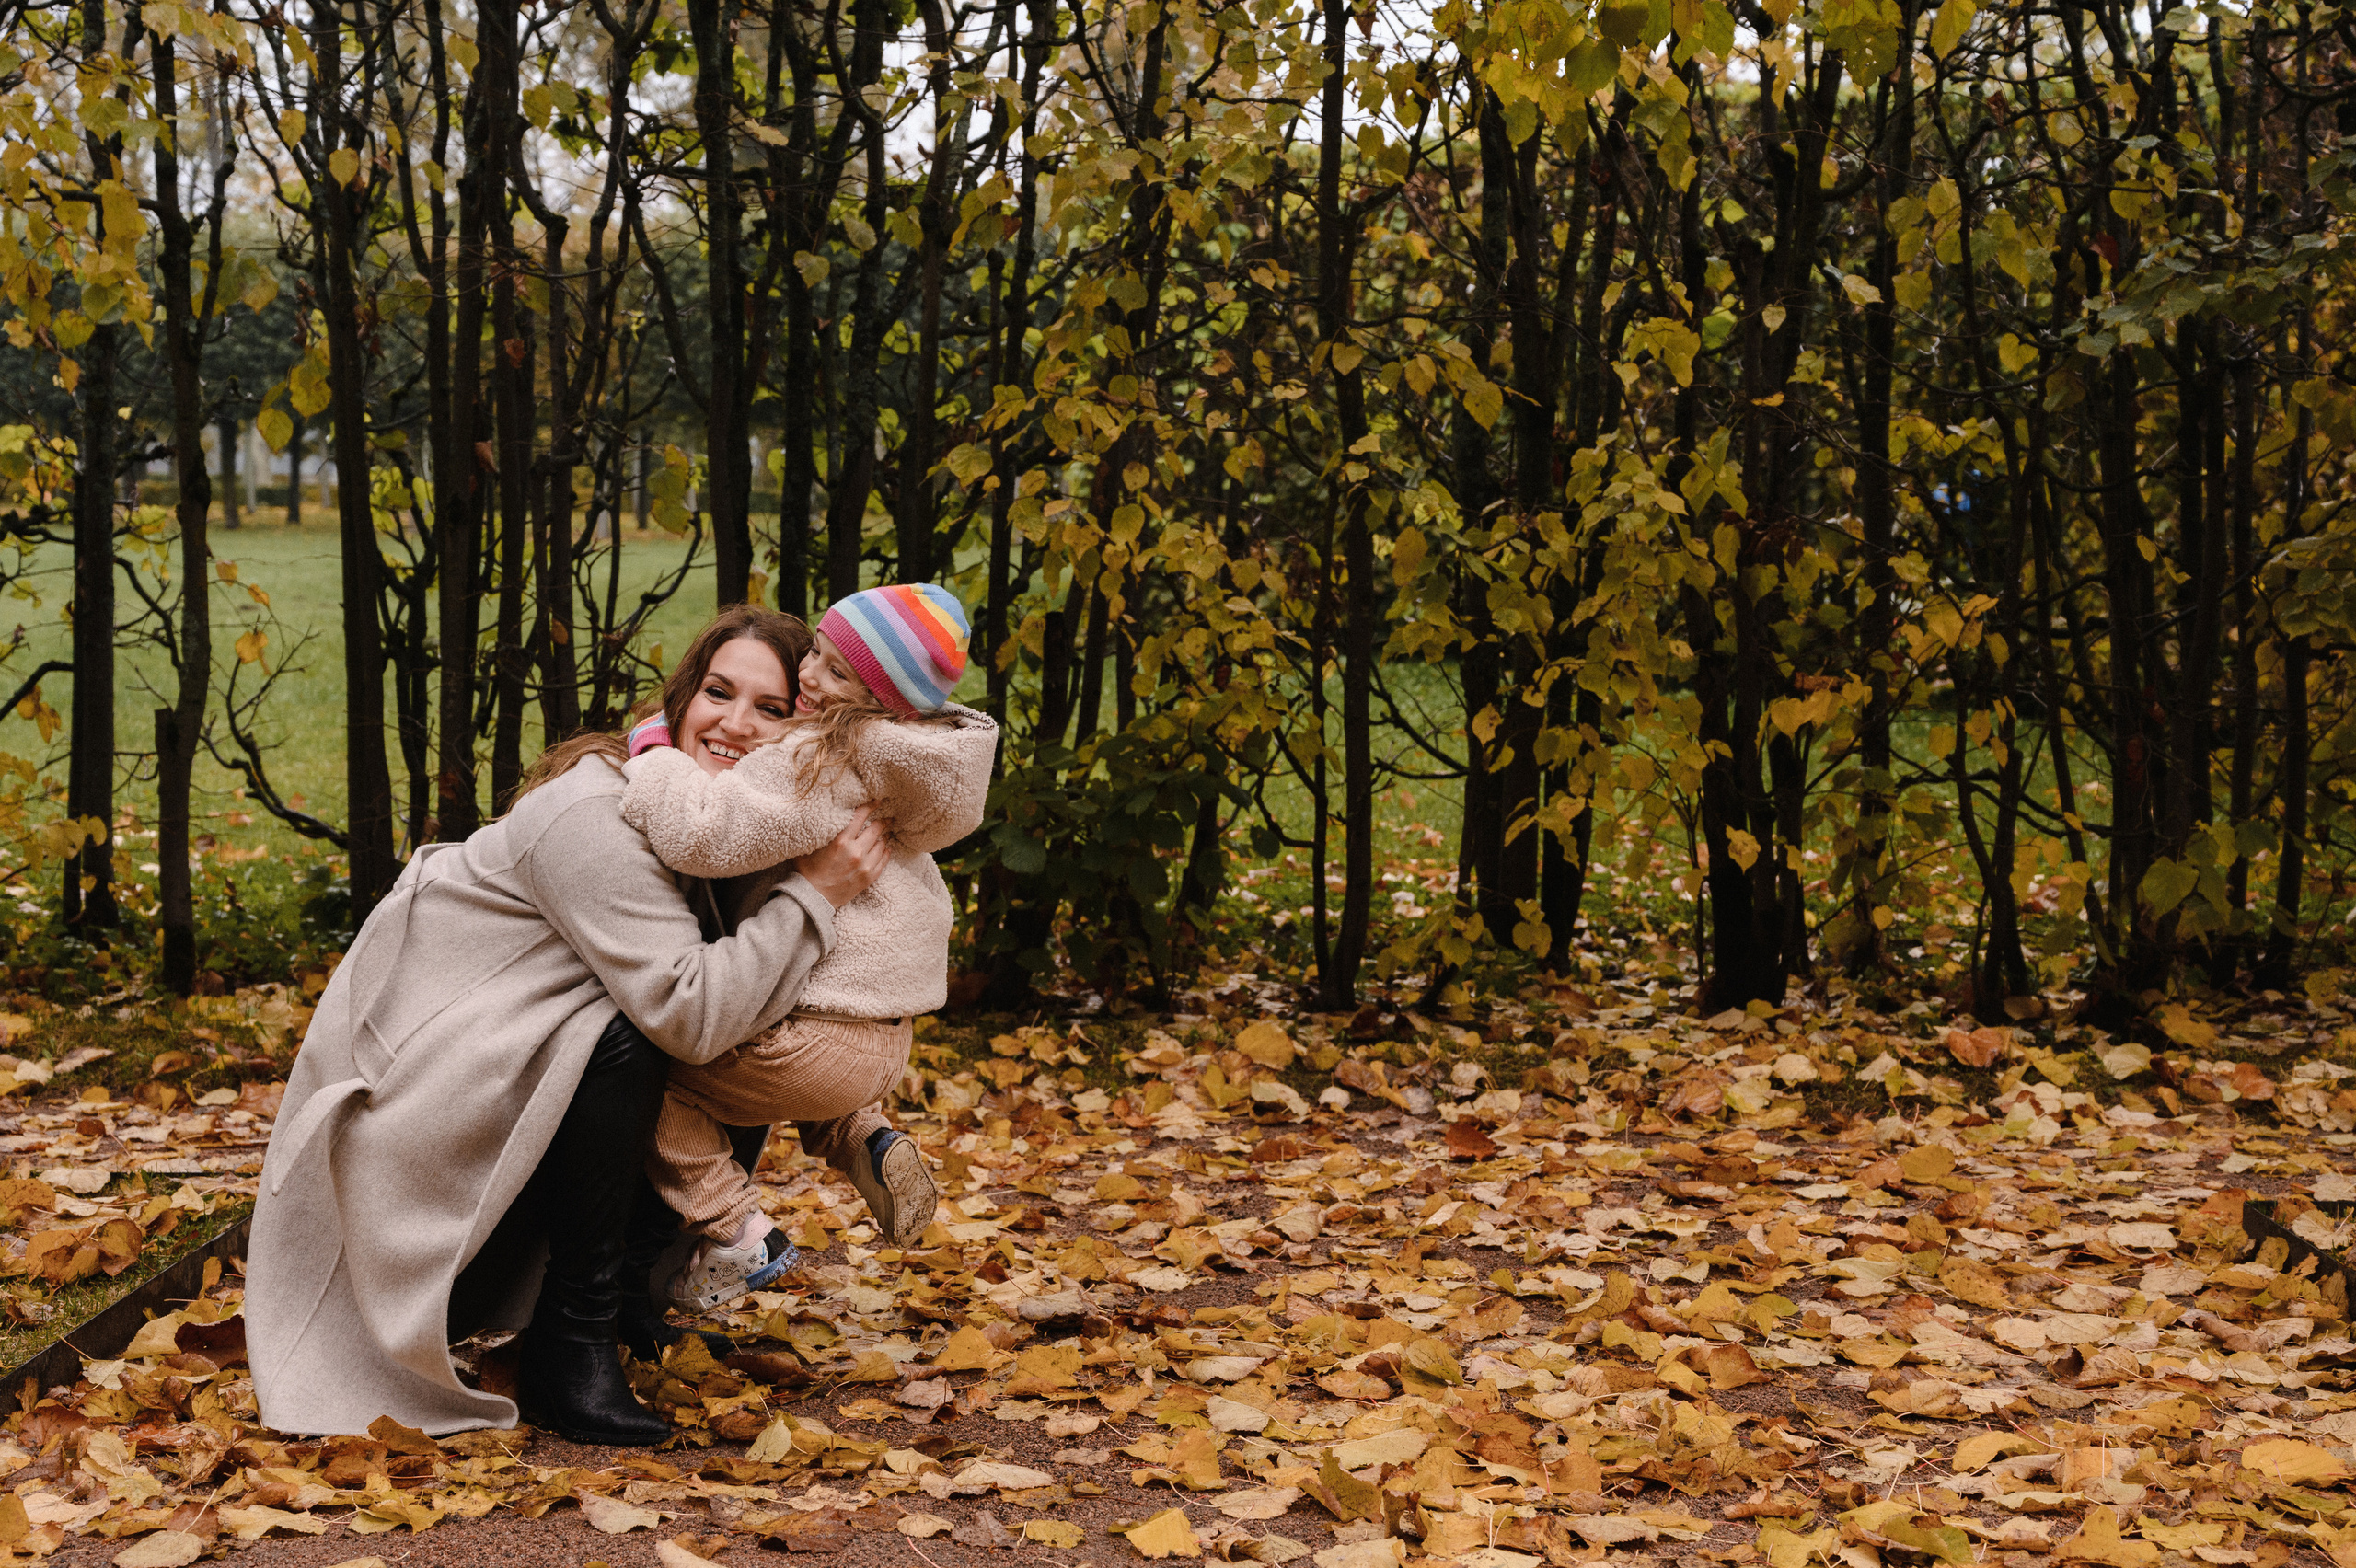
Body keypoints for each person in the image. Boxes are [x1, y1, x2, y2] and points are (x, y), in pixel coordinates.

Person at [248, 606, 890, 1446]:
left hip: (502, 1122)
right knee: (642, 1032)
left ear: (806, 733)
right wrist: (817, 894)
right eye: (717, 692)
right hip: (418, 1174)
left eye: (771, 709)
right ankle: (568, 1343)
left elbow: (743, 1001)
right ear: (682, 695)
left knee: (748, 1008)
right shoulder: (598, 808)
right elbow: (691, 1015)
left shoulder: (720, 834)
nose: (735, 723)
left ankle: (624, 1303)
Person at [618, 584, 998, 1310]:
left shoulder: (827, 756)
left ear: (887, 704)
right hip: (879, 1039)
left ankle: (736, 1230)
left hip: (818, 1035)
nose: (811, 681)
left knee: (648, 1081)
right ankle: (867, 1143)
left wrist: (654, 756)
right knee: (798, 1079)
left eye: (839, 674)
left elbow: (704, 834)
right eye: (816, 656)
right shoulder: (908, 762)